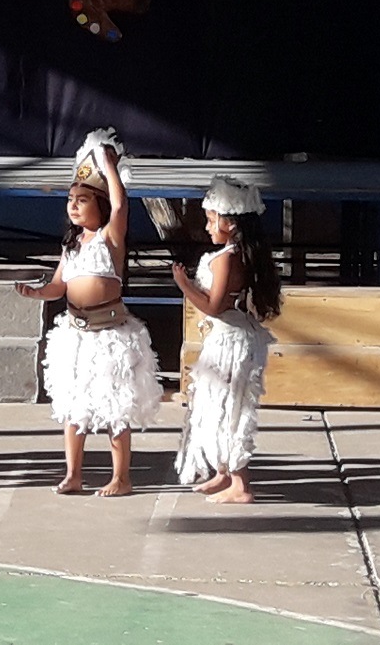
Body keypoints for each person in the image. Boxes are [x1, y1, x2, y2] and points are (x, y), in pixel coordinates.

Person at [15, 129, 163, 497]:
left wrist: (108, 166)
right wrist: (37, 292)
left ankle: (121, 477)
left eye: (83, 200)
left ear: (100, 205)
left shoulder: (110, 238)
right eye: (70, 200)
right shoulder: (73, 245)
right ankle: (74, 473)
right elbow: (59, 285)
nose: (74, 205)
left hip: (110, 334)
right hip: (76, 334)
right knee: (73, 404)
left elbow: (121, 203)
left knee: (115, 406)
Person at [172, 176, 282, 504]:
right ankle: (223, 473)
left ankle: (240, 483)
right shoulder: (240, 255)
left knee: (231, 407)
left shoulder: (227, 259)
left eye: (210, 220)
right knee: (212, 405)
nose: (207, 228)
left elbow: (213, 305)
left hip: (231, 344)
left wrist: (183, 284)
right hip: (229, 339)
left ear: (230, 224)